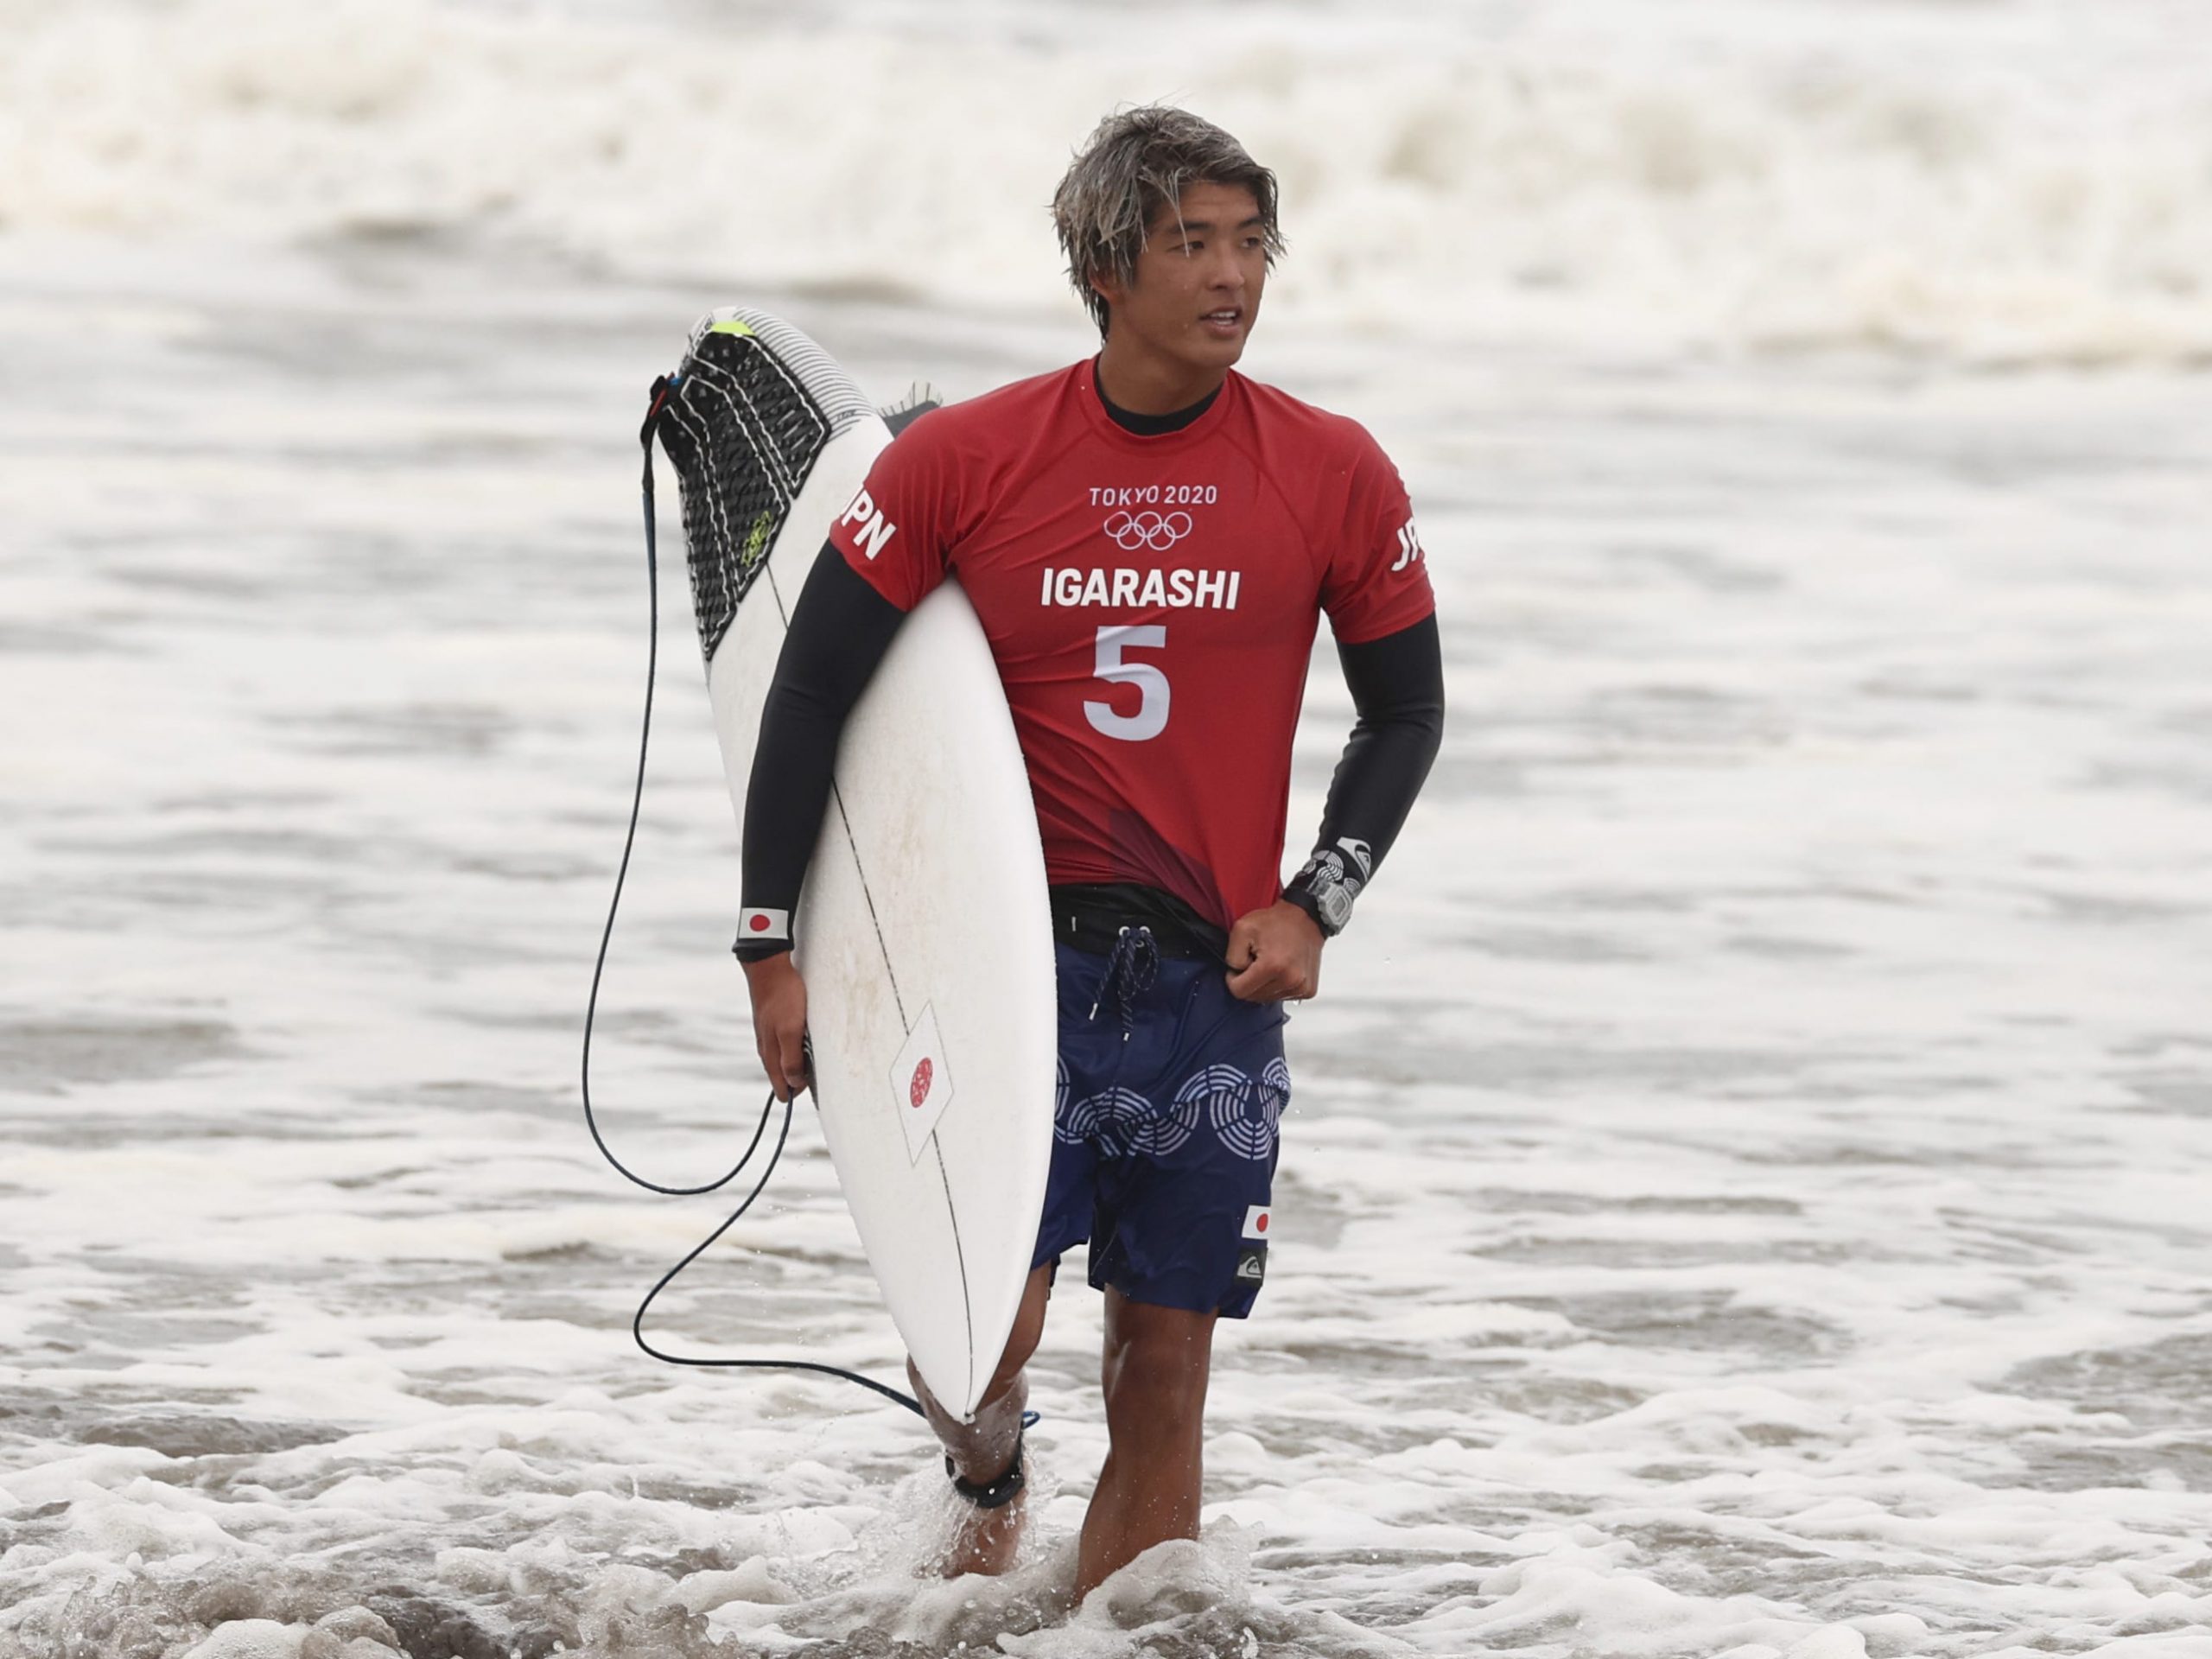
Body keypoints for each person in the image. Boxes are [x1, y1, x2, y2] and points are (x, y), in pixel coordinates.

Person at [732, 105, 1444, 1602]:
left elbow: (1407, 711)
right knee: (987, 1329)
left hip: (1208, 984)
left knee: (1167, 1367)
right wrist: (770, 943)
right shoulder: (967, 461)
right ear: (1110, 265)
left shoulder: (1333, 471)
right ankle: (987, 1467)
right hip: (1010, 968)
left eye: (1254, 244)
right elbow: (812, 693)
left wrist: (1320, 899)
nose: (1234, 277)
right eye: (1195, 243)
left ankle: (1106, 1643)